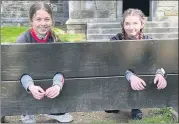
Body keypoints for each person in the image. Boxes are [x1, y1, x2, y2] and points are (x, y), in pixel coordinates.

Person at [16, 2, 73, 123]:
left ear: (52, 20)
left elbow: (61, 67)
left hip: (49, 86)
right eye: (38, 19)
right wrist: (30, 86)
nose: (43, 23)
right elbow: (19, 70)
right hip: (29, 83)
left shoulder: (56, 40)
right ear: (31, 21)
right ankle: (28, 111)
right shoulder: (23, 40)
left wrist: (57, 85)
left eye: (47, 19)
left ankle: (52, 110)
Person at [105, 8, 167, 120]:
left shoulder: (149, 40)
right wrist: (130, 76)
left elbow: (159, 62)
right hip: (123, 75)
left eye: (135, 23)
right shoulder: (116, 40)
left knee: (142, 71)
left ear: (142, 24)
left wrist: (160, 73)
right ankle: (117, 101)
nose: (131, 27)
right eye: (127, 23)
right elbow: (114, 65)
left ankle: (136, 106)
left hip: (141, 77)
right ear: (123, 25)